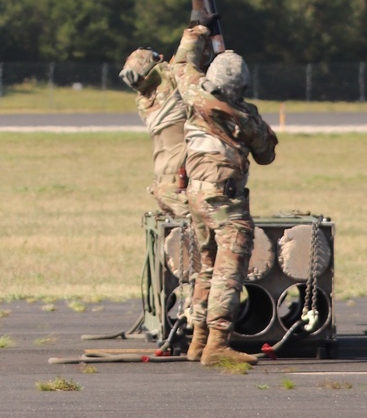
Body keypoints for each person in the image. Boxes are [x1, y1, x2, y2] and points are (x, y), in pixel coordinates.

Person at [171, 25, 278, 366]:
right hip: (225, 200)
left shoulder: (193, 95)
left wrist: (196, 32)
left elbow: (180, 66)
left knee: (207, 266)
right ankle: (217, 343)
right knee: (228, 269)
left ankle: (198, 341)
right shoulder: (245, 118)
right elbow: (266, 154)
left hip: (195, 197)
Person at [119, 46, 192, 218]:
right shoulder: (171, 82)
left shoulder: (144, 101)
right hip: (181, 184)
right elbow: (187, 51)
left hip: (162, 184)